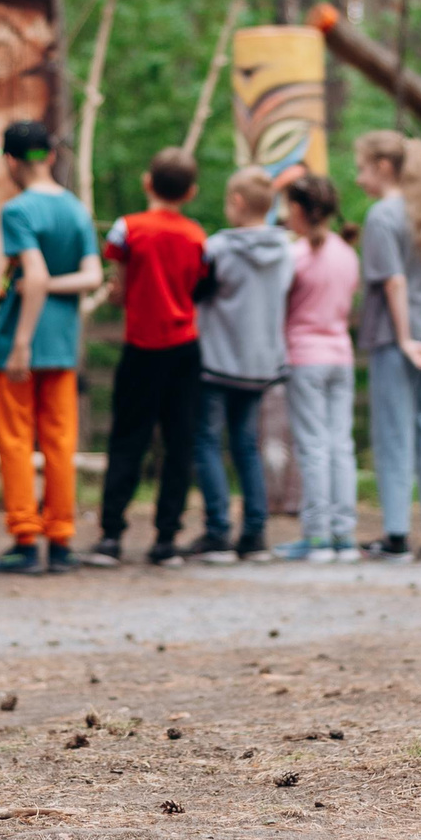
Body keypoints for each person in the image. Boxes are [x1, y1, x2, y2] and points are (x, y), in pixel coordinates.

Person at [0, 121, 102, 575]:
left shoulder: (18, 210)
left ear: (12, 161)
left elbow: (31, 275)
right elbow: (91, 277)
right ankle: (62, 539)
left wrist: (20, 343)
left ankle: (25, 538)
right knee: (59, 442)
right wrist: (55, 285)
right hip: (63, 343)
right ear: (49, 156)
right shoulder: (75, 209)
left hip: (23, 339)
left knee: (15, 441)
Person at [352, 131, 421, 562]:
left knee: (393, 435)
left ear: (384, 167)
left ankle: (396, 533)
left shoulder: (382, 216)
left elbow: (394, 282)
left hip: (396, 343)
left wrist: (405, 339)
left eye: (362, 168)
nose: (359, 178)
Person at [91, 148, 208, 568]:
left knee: (127, 440)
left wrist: (117, 291)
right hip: (183, 349)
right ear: (191, 192)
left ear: (146, 182)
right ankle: (165, 539)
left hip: (141, 347)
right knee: (179, 443)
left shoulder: (127, 230)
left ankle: (110, 536)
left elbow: (119, 290)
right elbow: (198, 285)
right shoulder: (197, 238)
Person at [189, 168, 290, 564]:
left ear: (238, 202)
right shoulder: (287, 251)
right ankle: (254, 532)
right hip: (260, 363)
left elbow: (199, 291)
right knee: (247, 444)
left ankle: (217, 530)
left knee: (207, 441)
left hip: (216, 360)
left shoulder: (218, 249)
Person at [275, 173, 360, 562]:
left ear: (297, 209)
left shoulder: (294, 256)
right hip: (341, 356)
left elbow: (278, 306)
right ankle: (344, 534)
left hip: (304, 358)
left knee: (313, 447)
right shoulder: (348, 253)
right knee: (340, 445)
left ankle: (317, 536)